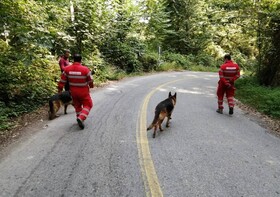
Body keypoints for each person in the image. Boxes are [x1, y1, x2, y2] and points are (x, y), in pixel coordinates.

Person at [58, 54, 94, 129]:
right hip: (83, 92)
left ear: (73, 60)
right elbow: (90, 80)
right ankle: (81, 118)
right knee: (88, 104)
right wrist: (91, 86)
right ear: (81, 60)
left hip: (73, 92)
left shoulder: (67, 69)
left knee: (77, 106)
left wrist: (60, 90)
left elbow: (62, 81)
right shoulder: (85, 69)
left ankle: (79, 118)